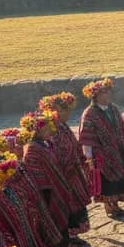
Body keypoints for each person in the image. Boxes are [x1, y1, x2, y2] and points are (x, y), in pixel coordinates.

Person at [19, 110, 83, 247]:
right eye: (47, 129)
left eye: (50, 128)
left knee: (61, 217)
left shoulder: (46, 143)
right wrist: (46, 187)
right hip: (47, 191)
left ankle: (65, 246)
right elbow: (34, 171)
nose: (50, 131)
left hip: (57, 187)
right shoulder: (32, 149)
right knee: (53, 220)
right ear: (37, 131)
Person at [78, 78, 124, 220]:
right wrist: (89, 157)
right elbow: (86, 137)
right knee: (107, 182)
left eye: (108, 92)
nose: (108, 95)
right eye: (104, 93)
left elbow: (122, 127)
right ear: (95, 96)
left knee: (118, 180)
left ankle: (115, 204)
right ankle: (108, 205)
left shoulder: (113, 109)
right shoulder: (89, 114)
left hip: (118, 151)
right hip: (101, 155)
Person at [39, 92, 92, 239]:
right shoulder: (50, 131)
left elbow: (73, 144)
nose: (67, 113)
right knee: (66, 205)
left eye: (68, 110)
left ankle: (75, 234)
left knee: (76, 203)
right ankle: (69, 235)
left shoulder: (63, 126)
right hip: (61, 175)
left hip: (72, 173)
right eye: (63, 110)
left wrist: (81, 158)